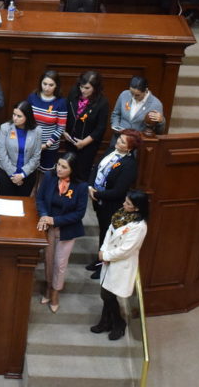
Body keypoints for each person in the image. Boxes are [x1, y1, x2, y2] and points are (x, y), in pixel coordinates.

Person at [91, 190, 149, 341]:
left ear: (137, 208)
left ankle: (118, 322)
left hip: (121, 263)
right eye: (125, 201)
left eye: (128, 203)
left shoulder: (139, 226)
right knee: (106, 292)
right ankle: (106, 322)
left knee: (107, 294)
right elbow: (109, 234)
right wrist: (103, 250)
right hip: (109, 259)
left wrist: (106, 255)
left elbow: (126, 250)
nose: (124, 204)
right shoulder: (120, 214)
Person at [36, 152, 88, 313]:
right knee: (48, 260)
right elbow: (40, 199)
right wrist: (45, 216)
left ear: (72, 169)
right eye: (58, 165)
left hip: (66, 229)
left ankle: (55, 291)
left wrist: (55, 220)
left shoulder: (81, 186)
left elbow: (79, 213)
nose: (59, 169)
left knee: (60, 263)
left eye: (64, 167)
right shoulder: (49, 177)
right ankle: (48, 286)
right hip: (49, 227)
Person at [87, 129, 141, 279]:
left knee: (108, 235)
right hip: (98, 200)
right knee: (103, 232)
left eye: (122, 141)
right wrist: (90, 186)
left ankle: (103, 265)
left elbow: (118, 191)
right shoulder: (111, 150)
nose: (118, 141)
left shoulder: (130, 165)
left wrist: (96, 193)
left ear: (129, 148)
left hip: (111, 205)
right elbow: (97, 168)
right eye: (119, 138)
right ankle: (99, 259)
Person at [63, 70, 109, 182]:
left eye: (87, 88)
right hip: (70, 141)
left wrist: (84, 143)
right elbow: (65, 113)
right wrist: (64, 131)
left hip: (88, 145)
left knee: (81, 174)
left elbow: (100, 128)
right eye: (81, 86)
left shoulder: (102, 102)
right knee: (66, 171)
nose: (83, 90)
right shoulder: (74, 93)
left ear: (95, 88)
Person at [0, 100, 42, 196]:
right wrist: (14, 175)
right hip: (6, 172)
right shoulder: (5, 128)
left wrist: (22, 175)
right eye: (14, 114)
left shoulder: (37, 131)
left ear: (27, 117)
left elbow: (36, 156)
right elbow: (2, 155)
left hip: (27, 174)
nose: (15, 118)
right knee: (6, 203)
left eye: (19, 116)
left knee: (23, 205)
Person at [28, 70, 68, 173]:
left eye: (51, 85)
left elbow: (61, 127)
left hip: (49, 145)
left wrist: (47, 145)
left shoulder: (61, 102)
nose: (47, 88)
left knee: (46, 174)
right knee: (29, 170)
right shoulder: (32, 97)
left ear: (56, 86)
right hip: (31, 142)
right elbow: (26, 119)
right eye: (44, 84)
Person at [110, 75, 165, 144]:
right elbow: (116, 114)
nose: (133, 97)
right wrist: (115, 126)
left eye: (137, 95)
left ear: (146, 90)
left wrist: (161, 121)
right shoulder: (124, 94)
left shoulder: (156, 104)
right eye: (131, 93)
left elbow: (159, 132)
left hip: (137, 144)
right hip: (119, 140)